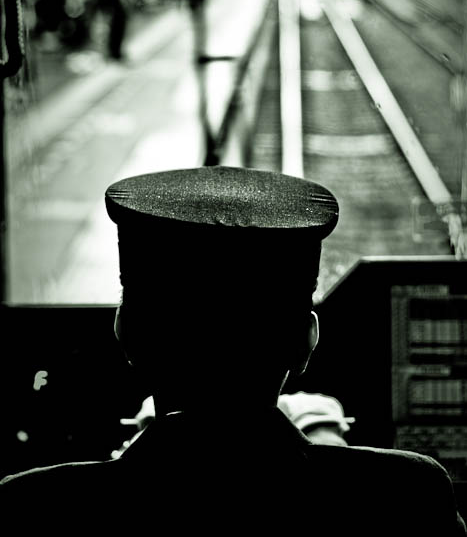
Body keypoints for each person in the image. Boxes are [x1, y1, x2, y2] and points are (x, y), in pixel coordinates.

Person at [0, 166, 465, 535]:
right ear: (306, 342)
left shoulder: (28, 510)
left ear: (127, 334)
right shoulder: (410, 497)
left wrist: (136, 453)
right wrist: (324, 440)